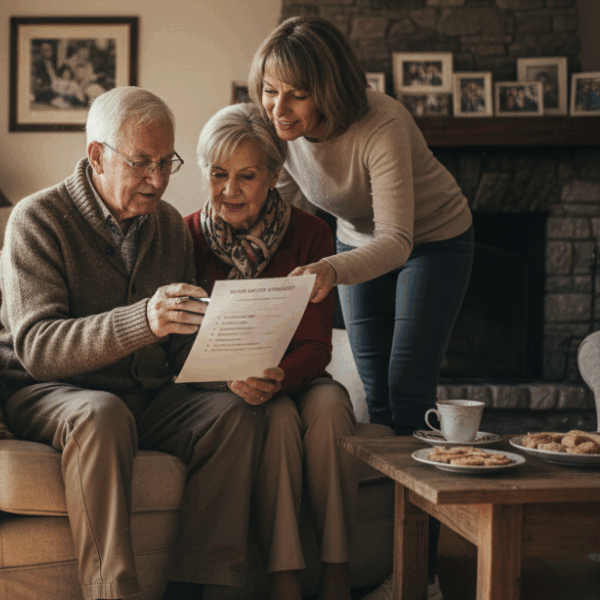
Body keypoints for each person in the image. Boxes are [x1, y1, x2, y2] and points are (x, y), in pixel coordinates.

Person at [0, 86, 278, 600]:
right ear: (97, 156)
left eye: (166, 162)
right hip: (50, 393)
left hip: (145, 397)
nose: (157, 180)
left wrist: (229, 371)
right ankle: (112, 592)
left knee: (234, 414)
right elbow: (37, 348)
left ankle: (201, 588)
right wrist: (142, 321)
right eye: (141, 162)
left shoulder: (167, 225)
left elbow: (180, 347)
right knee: (102, 413)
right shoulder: (37, 219)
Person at [249, 15, 474, 600]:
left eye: (297, 94)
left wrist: (326, 268)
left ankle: (421, 577)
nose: (279, 108)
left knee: (407, 389)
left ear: (330, 87)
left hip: (433, 239)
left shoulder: (382, 122)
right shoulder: (277, 127)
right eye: (270, 90)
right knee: (374, 399)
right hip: (356, 240)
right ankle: (391, 561)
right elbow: (289, 195)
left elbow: (398, 240)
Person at [185, 102, 358, 600]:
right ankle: (285, 579)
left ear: (274, 176)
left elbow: (315, 343)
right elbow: (184, 341)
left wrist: (280, 377)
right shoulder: (183, 234)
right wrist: (229, 380)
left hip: (296, 374)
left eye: (246, 176)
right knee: (278, 420)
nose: (230, 191)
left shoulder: (312, 234)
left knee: (330, 406)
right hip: (227, 386)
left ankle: (337, 570)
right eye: (218, 174)